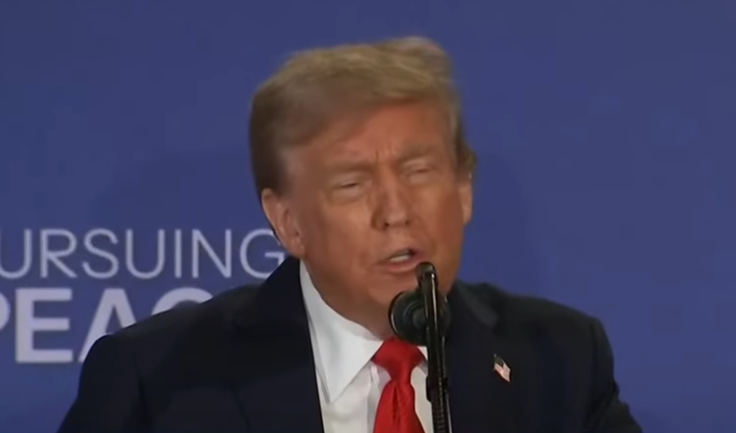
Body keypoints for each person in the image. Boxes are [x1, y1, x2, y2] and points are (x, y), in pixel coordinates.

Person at [57, 36, 642, 433]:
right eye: (353, 184)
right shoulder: (156, 383)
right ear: (288, 222)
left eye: (419, 172)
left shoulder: (559, 360)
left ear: (463, 189)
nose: (395, 211)